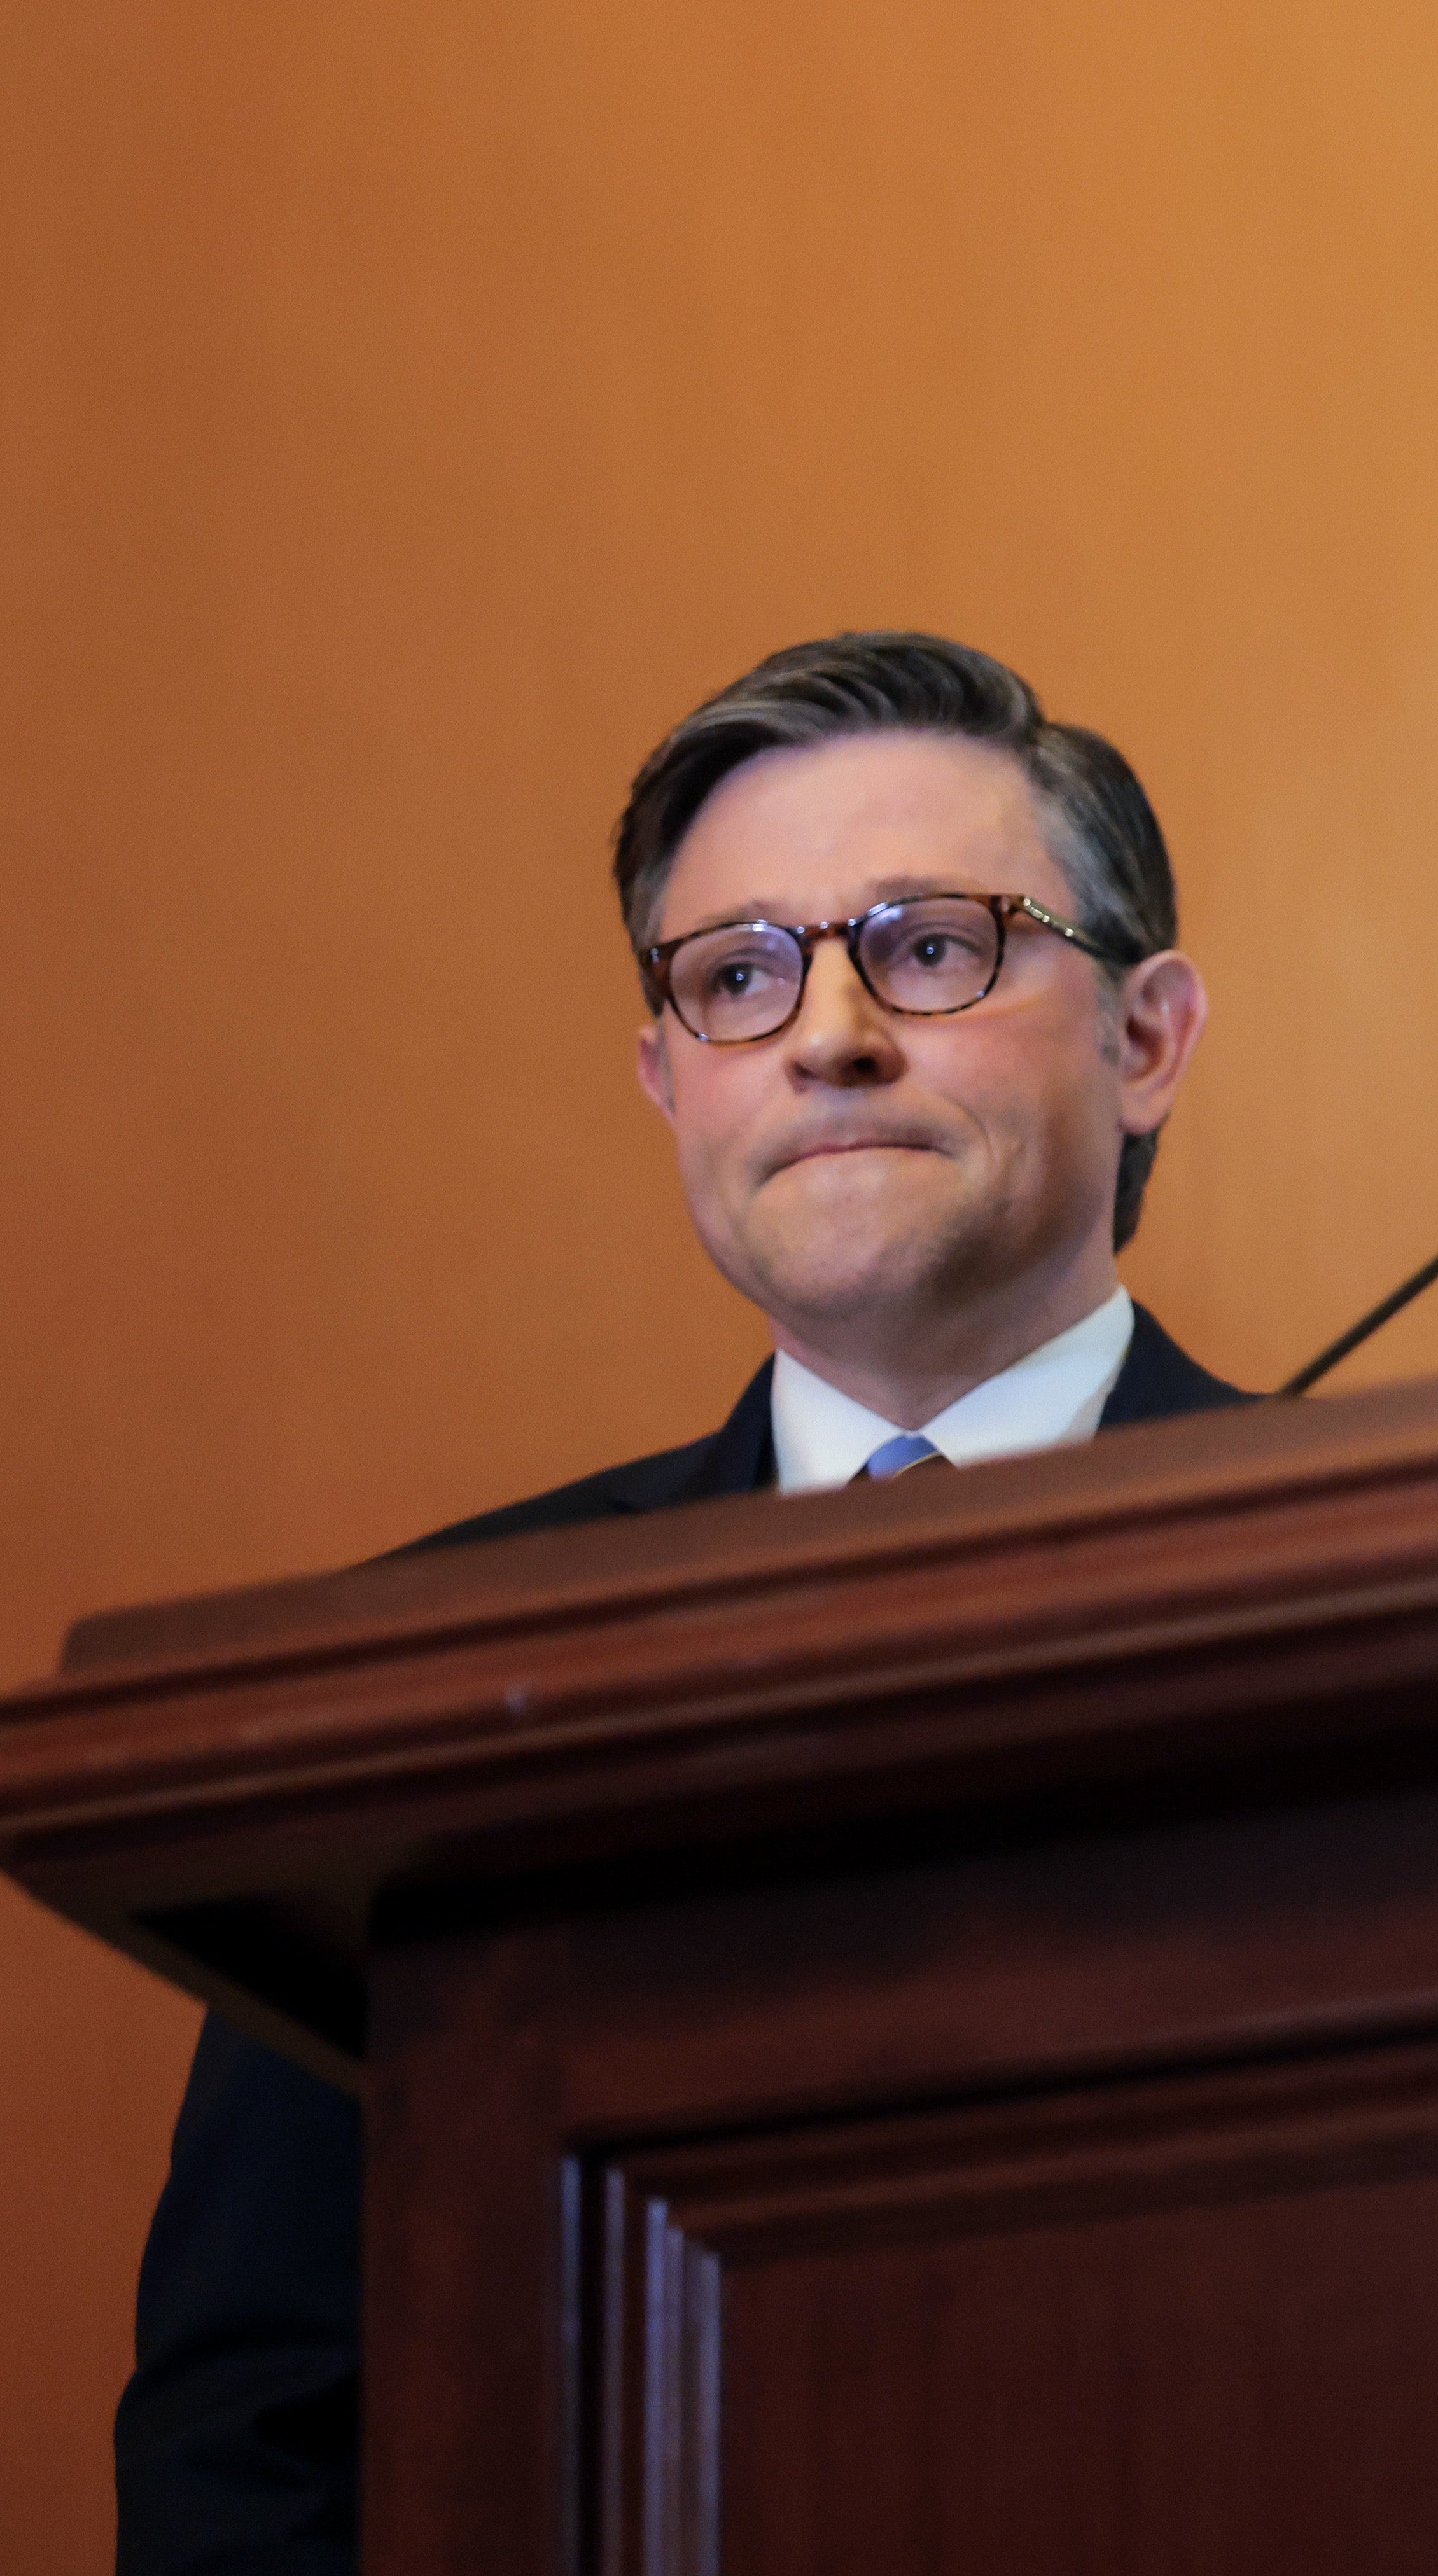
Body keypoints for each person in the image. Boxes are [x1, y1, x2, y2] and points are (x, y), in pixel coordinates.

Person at [116, 630, 1245, 2575]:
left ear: (1144, 1039)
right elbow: (259, 2447)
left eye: (927, 945)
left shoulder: (1407, 1584)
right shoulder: (428, 1671)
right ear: (666, 1083)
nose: (826, 1036)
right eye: (738, 977)